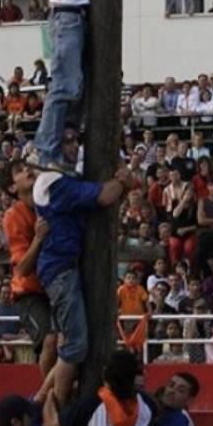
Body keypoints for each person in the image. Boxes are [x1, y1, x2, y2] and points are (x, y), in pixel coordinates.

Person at [35, 0, 139, 171]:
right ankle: (46, 152)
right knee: (65, 85)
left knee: (79, 87)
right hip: (65, 13)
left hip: (78, 13)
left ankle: (61, 145)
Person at [33, 127, 129, 405]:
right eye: (68, 141)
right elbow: (104, 196)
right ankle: (55, 409)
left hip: (63, 267)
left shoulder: (62, 181)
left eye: (76, 141)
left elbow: (103, 197)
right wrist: (121, 180)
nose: (74, 146)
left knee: (69, 342)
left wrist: (120, 178)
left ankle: (44, 399)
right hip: (60, 268)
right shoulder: (56, 183)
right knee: (75, 346)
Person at [0, 161, 57, 378]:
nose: (28, 170)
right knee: (49, 340)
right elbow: (22, 268)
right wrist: (39, 239)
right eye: (20, 171)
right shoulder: (15, 215)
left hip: (55, 286)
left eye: (27, 167)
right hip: (30, 293)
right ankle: (49, 395)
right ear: (12, 188)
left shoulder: (50, 204)